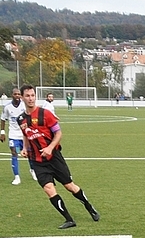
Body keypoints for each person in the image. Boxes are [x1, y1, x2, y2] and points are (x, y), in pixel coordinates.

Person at [17, 84, 100, 229]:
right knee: (48, 189)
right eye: (27, 96)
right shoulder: (21, 119)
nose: (30, 98)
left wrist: (49, 148)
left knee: (70, 186)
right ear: (23, 97)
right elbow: (26, 135)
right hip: (37, 161)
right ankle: (69, 219)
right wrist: (25, 148)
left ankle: (89, 206)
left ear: (35, 96)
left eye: (32, 95)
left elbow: (58, 133)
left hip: (54, 157)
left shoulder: (45, 114)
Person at [1, 87, 36, 185]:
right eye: (15, 94)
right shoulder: (7, 107)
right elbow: (3, 119)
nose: (17, 96)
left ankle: (33, 170)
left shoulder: (24, 106)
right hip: (14, 135)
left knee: (29, 153)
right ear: (12, 95)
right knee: (14, 153)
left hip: (25, 135)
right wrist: (2, 132)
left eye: (18, 94)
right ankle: (17, 177)